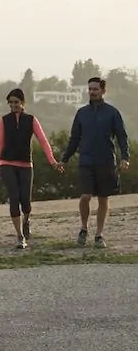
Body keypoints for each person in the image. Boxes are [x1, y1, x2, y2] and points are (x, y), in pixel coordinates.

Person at [57, 77, 130, 248]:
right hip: (86, 160)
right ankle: (83, 228)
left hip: (106, 161)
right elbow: (74, 139)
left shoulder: (112, 113)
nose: (92, 92)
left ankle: (99, 234)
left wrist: (124, 157)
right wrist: (64, 159)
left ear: (103, 91)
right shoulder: (82, 113)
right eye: (89, 89)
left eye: (95, 89)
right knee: (85, 196)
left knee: (103, 199)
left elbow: (122, 137)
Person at [0, 88, 62, 249]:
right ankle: (20, 236)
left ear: (23, 103)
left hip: (25, 164)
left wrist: (52, 161)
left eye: (16, 102)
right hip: (7, 164)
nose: (13, 105)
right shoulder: (4, 120)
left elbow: (43, 141)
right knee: (14, 197)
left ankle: (26, 220)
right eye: (10, 103)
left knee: (25, 200)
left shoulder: (31, 120)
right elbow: (0, 143)